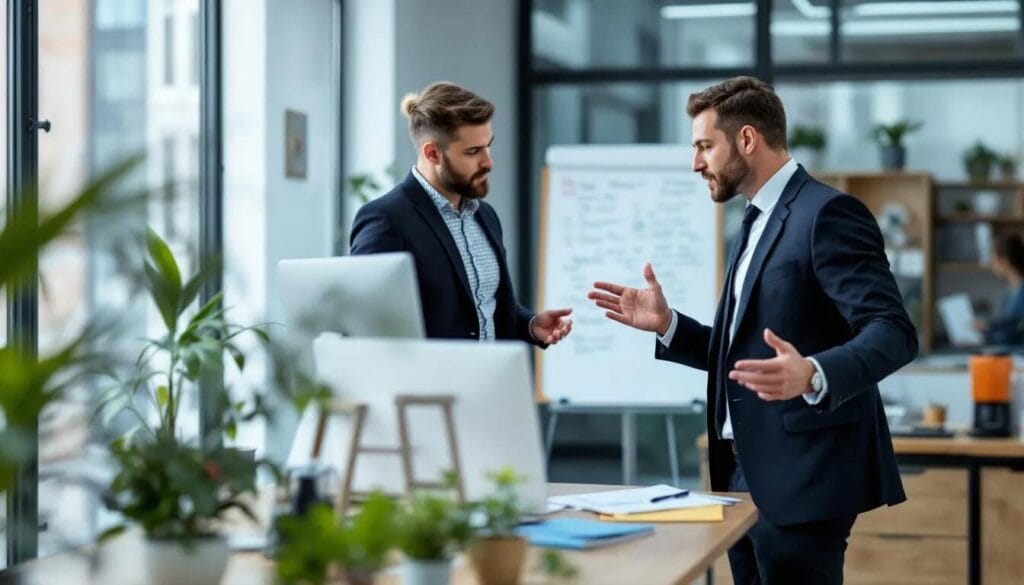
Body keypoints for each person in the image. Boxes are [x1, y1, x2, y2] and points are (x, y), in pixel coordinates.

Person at [587, 77, 917, 584]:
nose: (696, 163)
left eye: (703, 146)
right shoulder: (755, 221)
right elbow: (743, 354)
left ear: (746, 140)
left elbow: (893, 330)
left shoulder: (826, 213)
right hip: (743, 476)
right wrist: (669, 326)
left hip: (805, 476)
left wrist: (813, 373)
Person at [350, 81, 571, 346]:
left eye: (488, 146)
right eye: (473, 151)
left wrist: (530, 325)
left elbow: (486, 307)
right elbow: (363, 326)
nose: (488, 162)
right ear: (432, 153)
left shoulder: (485, 217)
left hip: (491, 381)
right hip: (429, 386)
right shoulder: (386, 219)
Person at [975, 232, 1024, 345]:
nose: (991, 265)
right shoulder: (1007, 295)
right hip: (1008, 356)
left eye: (993, 260)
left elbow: (1017, 326)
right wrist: (986, 331)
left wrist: (991, 326)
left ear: (1004, 261)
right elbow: (1004, 335)